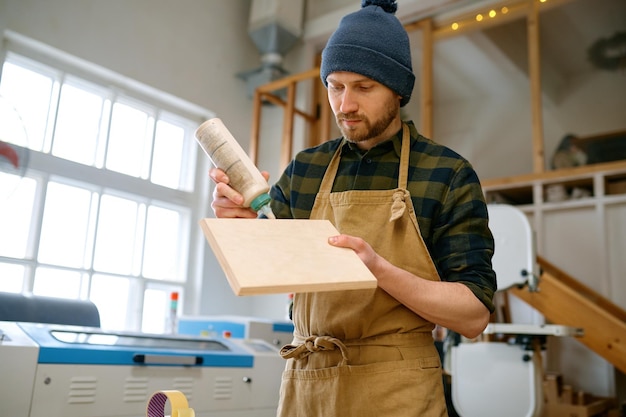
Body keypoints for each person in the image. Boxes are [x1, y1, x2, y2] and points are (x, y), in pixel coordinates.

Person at [209, 0, 497, 415]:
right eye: (335, 86)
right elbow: (283, 279)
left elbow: (473, 316)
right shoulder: (307, 169)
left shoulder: (446, 173)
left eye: (363, 87)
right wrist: (241, 224)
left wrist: (377, 270)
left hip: (397, 389)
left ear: (398, 89)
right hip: (307, 383)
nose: (345, 106)